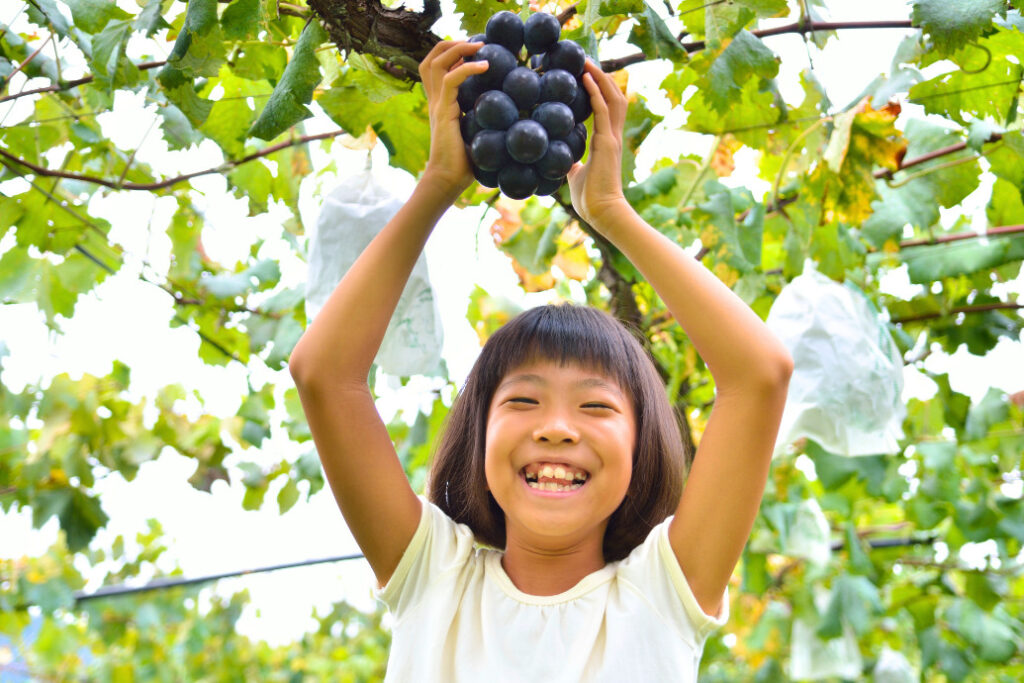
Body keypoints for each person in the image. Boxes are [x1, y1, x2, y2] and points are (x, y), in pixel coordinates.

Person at [288, 39, 794, 682]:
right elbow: (323, 377)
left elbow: (760, 376)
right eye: (523, 401)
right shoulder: (432, 576)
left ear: (642, 447)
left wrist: (613, 214)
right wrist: (439, 181)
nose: (556, 427)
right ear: (478, 434)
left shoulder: (663, 593)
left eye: (596, 406)